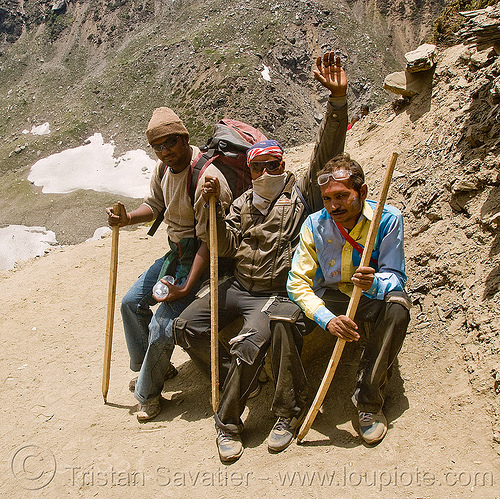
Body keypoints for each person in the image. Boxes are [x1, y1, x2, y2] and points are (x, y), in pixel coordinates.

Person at [173, 51, 348, 462]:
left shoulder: (300, 194)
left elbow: (326, 149)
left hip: (277, 293)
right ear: (249, 171)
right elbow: (225, 246)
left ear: (283, 163)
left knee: (249, 346)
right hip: (239, 286)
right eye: (258, 168)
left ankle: (228, 423)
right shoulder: (242, 202)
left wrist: (336, 104)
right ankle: (239, 380)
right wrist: (213, 208)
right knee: (186, 326)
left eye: (273, 164)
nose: (266, 173)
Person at [106, 107, 233, 422]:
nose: (165, 151)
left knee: (162, 326)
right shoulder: (162, 169)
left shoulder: (207, 179)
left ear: (184, 138)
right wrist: (126, 219)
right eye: (158, 146)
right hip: (175, 254)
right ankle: (153, 368)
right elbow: (156, 205)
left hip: (203, 261)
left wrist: (187, 287)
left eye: (171, 143)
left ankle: (147, 394)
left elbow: (210, 242)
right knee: (130, 303)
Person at [287, 153, 411, 445]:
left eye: (342, 196)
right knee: (281, 316)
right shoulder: (314, 224)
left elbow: (396, 276)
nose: (334, 206)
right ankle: (289, 408)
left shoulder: (388, 219)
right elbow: (297, 282)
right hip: (330, 297)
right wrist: (327, 320)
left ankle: (369, 401)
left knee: (398, 307)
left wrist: (373, 282)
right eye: (328, 199)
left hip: (369, 295)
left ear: (363, 192)